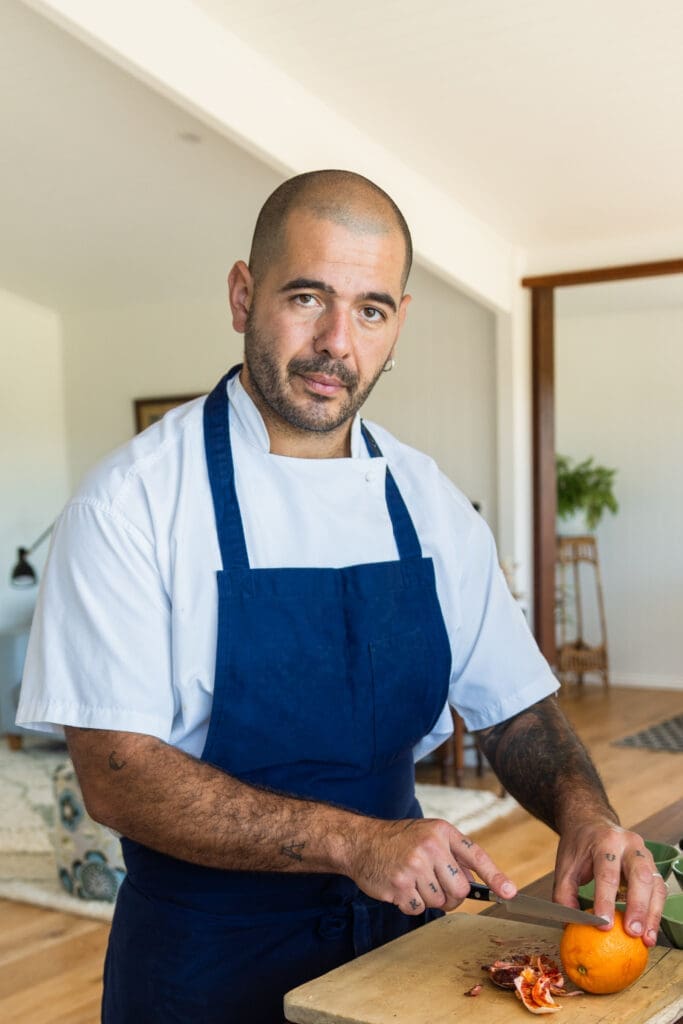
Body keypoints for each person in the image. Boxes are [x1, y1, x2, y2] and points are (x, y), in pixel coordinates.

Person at [17, 170, 665, 1023]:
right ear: (243, 295)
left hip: (403, 935)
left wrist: (586, 816)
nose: (336, 342)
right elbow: (117, 775)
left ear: (397, 323)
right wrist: (354, 842)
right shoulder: (130, 503)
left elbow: (515, 711)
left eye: (369, 310)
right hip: (205, 956)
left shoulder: (428, 500)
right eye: (306, 296)